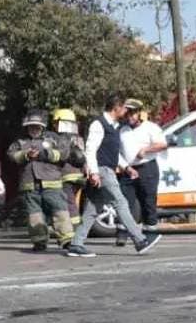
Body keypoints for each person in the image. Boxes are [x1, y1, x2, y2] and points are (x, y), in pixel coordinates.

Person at [66, 94, 163, 258]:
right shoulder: (99, 124)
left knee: (92, 209)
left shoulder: (115, 126)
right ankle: (140, 241)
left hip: (107, 169)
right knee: (121, 202)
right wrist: (94, 172)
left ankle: (76, 244)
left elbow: (113, 153)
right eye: (124, 107)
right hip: (102, 171)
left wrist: (126, 168)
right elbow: (90, 149)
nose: (126, 111)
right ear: (116, 108)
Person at [8, 109, 74, 252]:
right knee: (34, 215)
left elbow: (64, 154)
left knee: (60, 211)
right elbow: (12, 155)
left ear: (43, 126)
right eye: (31, 126)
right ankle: (39, 241)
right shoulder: (20, 142)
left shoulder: (53, 139)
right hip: (30, 184)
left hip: (52, 182)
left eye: (37, 126)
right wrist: (25, 155)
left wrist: (45, 154)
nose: (34, 129)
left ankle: (67, 240)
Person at [115, 100, 167, 245]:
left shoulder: (151, 127)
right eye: (127, 114)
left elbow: (162, 144)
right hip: (128, 170)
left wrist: (146, 150)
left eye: (132, 113)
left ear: (139, 113)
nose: (129, 117)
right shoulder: (122, 130)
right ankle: (122, 233)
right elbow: (117, 152)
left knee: (148, 202)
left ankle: (150, 233)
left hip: (147, 169)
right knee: (124, 202)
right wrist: (125, 166)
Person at [52, 108, 87, 219]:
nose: (54, 125)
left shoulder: (60, 138)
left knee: (69, 203)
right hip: (80, 176)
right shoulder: (78, 138)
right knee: (73, 201)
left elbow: (60, 156)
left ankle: (74, 227)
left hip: (67, 176)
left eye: (56, 123)